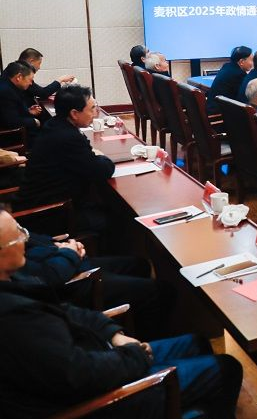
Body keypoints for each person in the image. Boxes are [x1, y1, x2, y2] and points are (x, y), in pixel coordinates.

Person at [0, 210, 243, 419]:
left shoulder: (13, 282)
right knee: (226, 368)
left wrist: (114, 334)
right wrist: (134, 356)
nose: (24, 240)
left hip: (100, 354)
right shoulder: (15, 319)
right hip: (100, 399)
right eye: (17, 238)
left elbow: (66, 310)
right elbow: (79, 375)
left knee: (197, 343)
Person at [23, 234, 172, 339]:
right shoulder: (15, 270)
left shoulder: (13, 237)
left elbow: (28, 237)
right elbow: (49, 276)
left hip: (63, 261)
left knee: (140, 265)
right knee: (160, 291)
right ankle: (148, 347)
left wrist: (58, 245)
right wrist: (69, 253)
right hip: (70, 284)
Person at [12, 85, 115, 235]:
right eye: (92, 108)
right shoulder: (68, 137)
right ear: (74, 113)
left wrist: (93, 156)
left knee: (101, 202)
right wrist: (102, 157)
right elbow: (103, 170)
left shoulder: (54, 124)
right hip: (49, 214)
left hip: (39, 202)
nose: (96, 112)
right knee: (117, 218)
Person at [0, 61, 42, 140]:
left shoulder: (7, 84)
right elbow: (12, 122)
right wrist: (34, 121)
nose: (31, 83)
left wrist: (28, 111)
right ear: (19, 77)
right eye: (30, 80)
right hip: (9, 137)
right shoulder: (6, 92)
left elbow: (9, 112)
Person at [207, 46, 252, 114]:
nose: (253, 63)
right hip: (219, 114)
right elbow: (244, 97)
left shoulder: (226, 66)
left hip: (212, 107)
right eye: (251, 60)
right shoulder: (239, 74)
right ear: (241, 62)